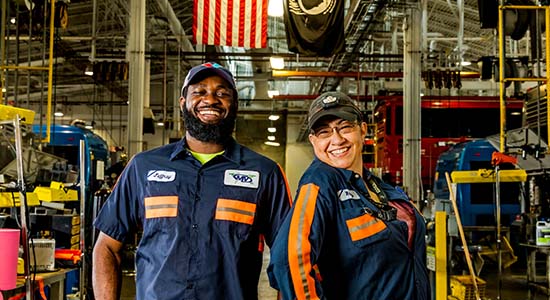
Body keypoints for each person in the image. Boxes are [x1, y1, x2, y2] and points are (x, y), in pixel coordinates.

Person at [92, 62, 292, 300]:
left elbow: (288, 259)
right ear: (182, 102)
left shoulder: (265, 173)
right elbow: (106, 247)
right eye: (199, 91)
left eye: (222, 93)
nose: (210, 99)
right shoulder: (143, 167)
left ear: (234, 105)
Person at [268, 91, 430, 299]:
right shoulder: (320, 183)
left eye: (345, 127)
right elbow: (289, 261)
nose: (336, 139)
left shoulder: (378, 186)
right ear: (313, 141)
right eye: (324, 132)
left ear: (363, 130)